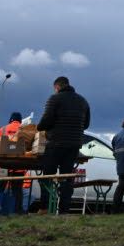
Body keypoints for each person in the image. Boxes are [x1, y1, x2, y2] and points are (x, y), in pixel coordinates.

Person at [36, 76, 90, 214]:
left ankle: (44, 208)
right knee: (66, 178)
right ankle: (64, 210)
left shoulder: (54, 99)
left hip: (56, 143)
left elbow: (46, 120)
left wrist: (40, 127)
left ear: (57, 87)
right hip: (74, 145)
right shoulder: (83, 101)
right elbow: (86, 124)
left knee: (47, 176)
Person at [0, 111, 25, 214]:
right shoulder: (25, 130)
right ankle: (17, 211)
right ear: (20, 121)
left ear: (10, 120)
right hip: (19, 165)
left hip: (3, 165)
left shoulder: (1, 129)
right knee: (17, 190)